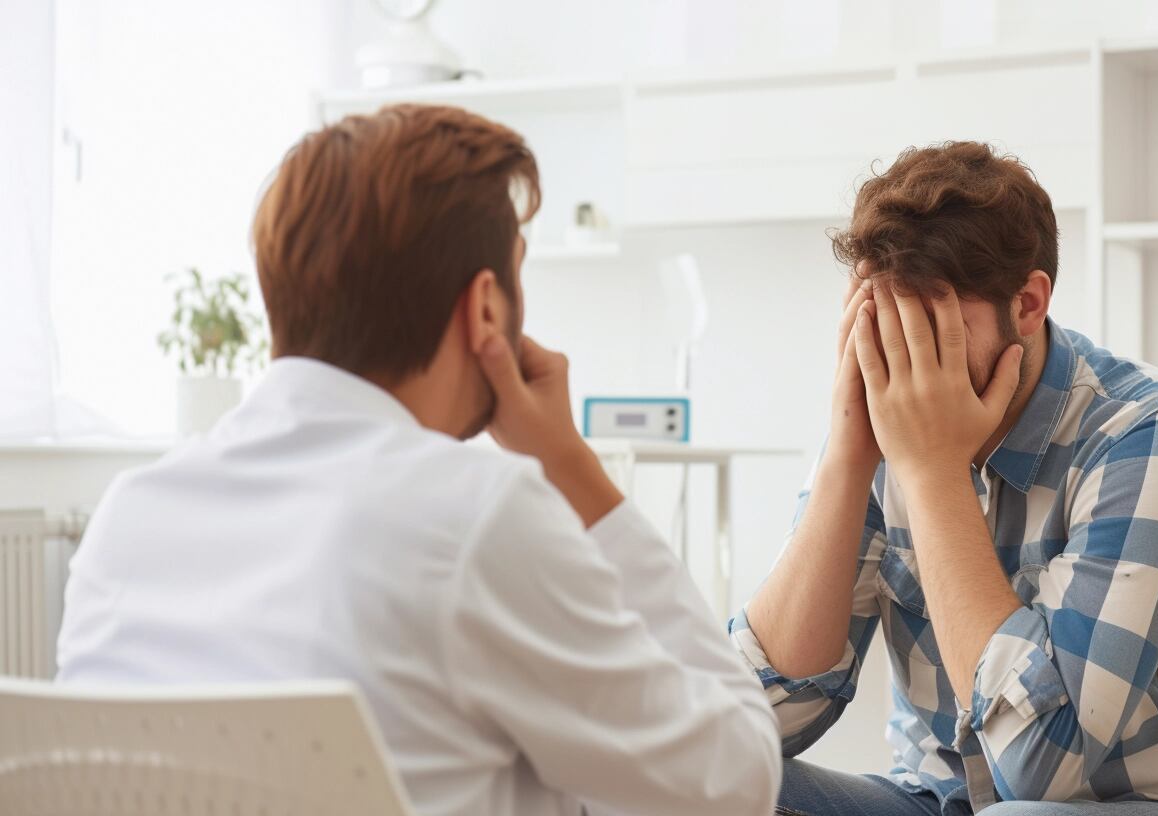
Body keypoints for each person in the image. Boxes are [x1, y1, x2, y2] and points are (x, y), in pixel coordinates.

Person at [56, 104, 780, 816]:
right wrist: (575, 473)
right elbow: (737, 779)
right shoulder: (474, 517)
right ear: (487, 309)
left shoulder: (128, 517)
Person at [732, 142, 1158, 816]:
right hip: (936, 799)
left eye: (935, 330)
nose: (906, 362)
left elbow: (1041, 768)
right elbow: (742, 728)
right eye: (887, 325)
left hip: (1147, 805)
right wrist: (850, 451)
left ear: (1027, 304)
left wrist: (931, 471)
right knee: (707, 779)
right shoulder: (879, 424)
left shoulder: (1157, 433)